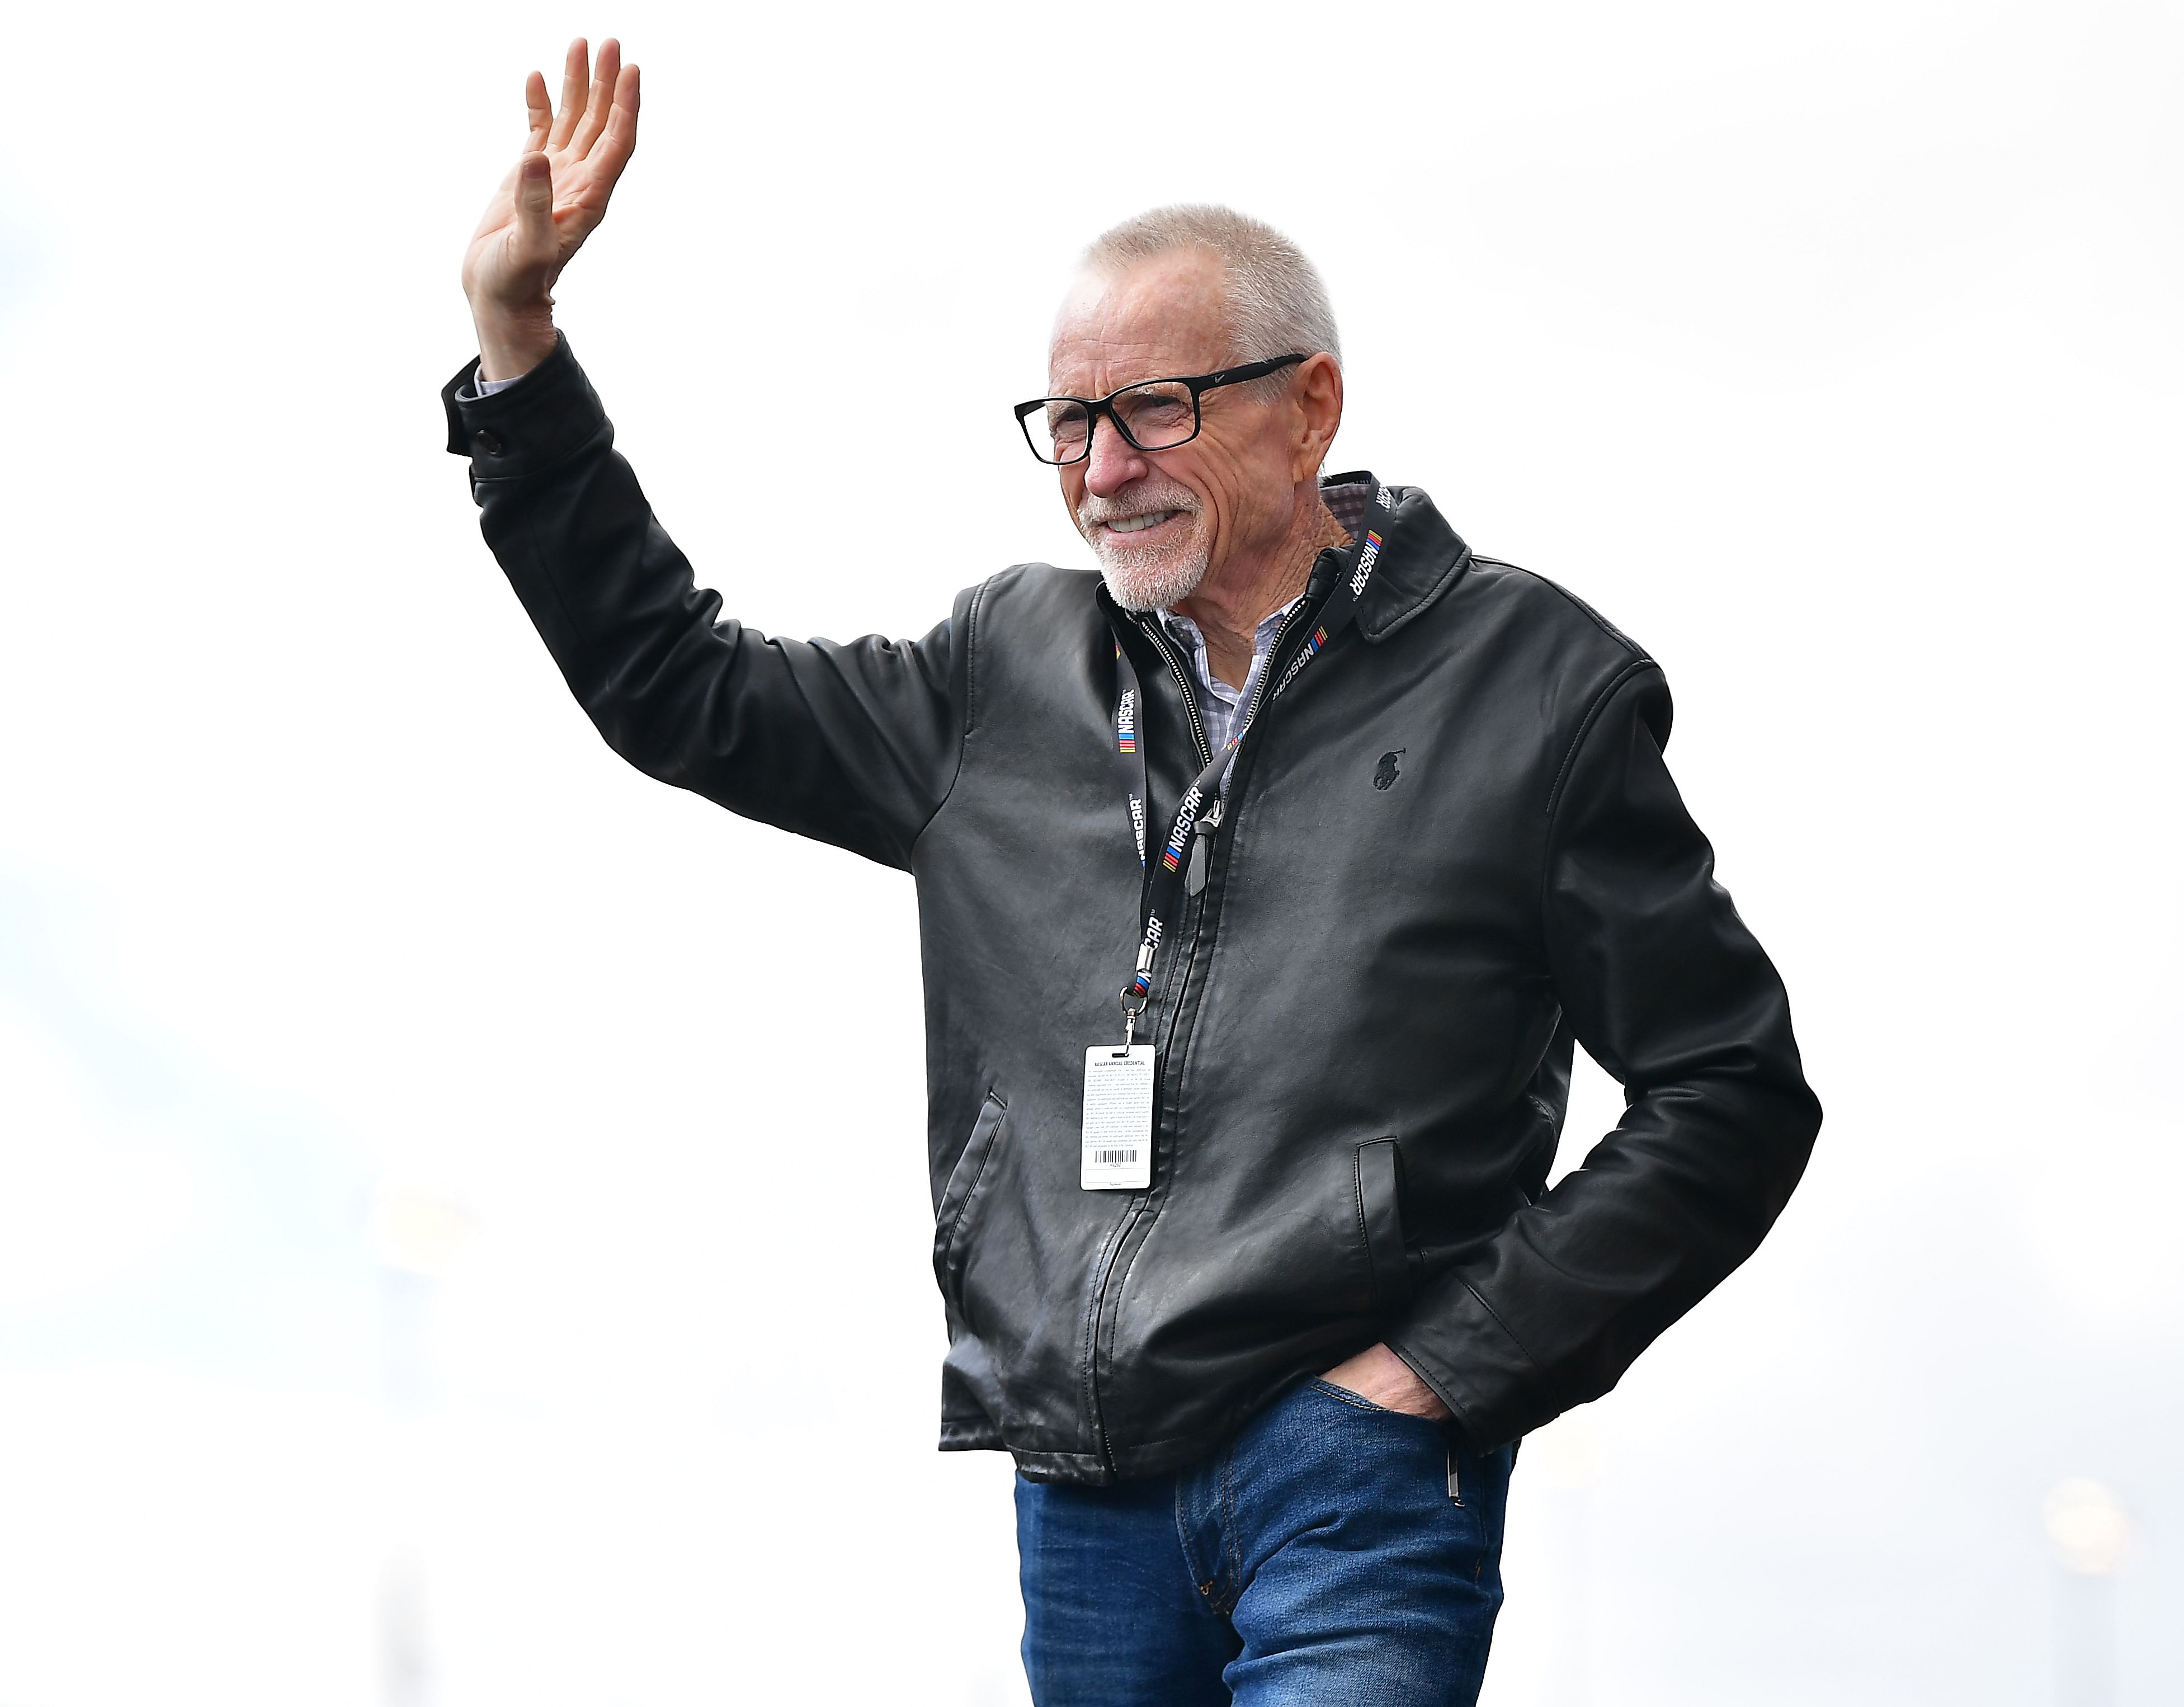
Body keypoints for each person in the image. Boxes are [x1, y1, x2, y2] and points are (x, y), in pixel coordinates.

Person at [446, 38, 1820, 1707]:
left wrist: (1438, 1374)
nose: (1102, 468)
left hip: (1358, 1481)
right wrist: (517, 343)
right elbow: (675, 682)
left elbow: (1730, 1093)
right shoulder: (994, 674)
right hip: (1083, 1496)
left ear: (1309, 402)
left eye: (1152, 408)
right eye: (1069, 421)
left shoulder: (1532, 687)